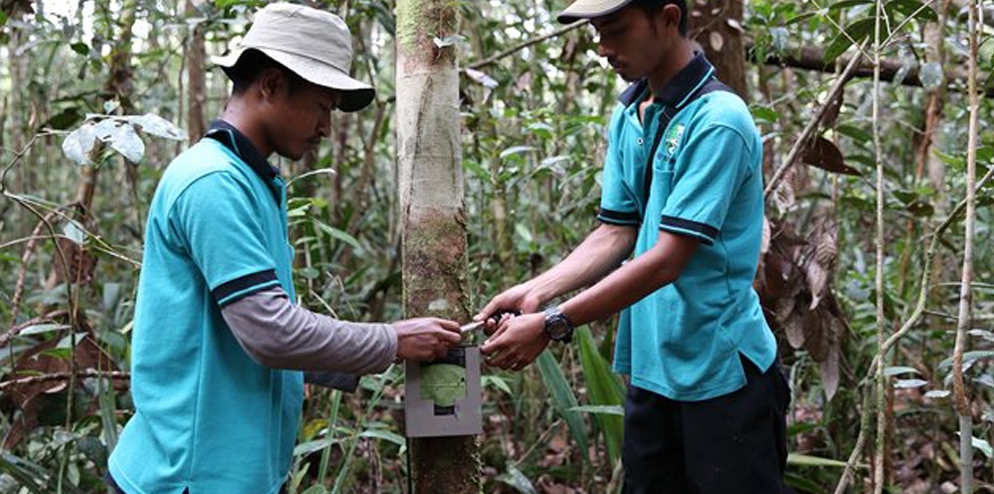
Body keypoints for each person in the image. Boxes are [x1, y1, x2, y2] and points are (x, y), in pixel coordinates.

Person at [106, 4, 461, 494]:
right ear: (270, 86)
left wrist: (394, 347)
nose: (325, 128)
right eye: (321, 107)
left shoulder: (251, 182)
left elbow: (255, 332)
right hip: (188, 476)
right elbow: (270, 333)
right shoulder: (213, 182)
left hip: (231, 471)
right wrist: (391, 340)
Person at [476, 1, 794, 493]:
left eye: (617, 31)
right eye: (597, 33)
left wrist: (555, 323)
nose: (604, 49)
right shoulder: (631, 115)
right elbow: (616, 230)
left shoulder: (719, 120)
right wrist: (536, 291)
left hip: (722, 372)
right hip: (652, 368)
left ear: (668, 18)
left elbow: (668, 258)